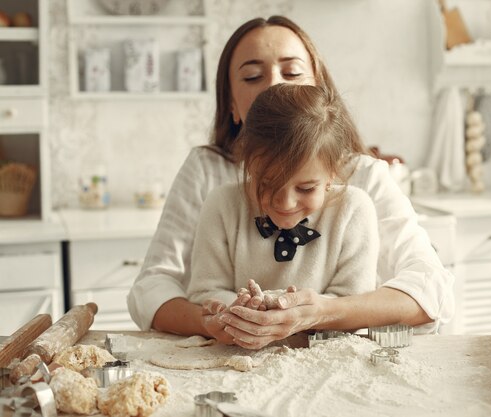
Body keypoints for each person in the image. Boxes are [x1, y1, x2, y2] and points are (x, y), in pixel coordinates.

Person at [127, 15, 455, 349]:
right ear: (232, 105)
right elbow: (152, 286)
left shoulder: (363, 179)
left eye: (292, 73)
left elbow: (432, 289)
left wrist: (322, 313)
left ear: (318, 91)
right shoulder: (207, 173)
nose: (274, 87)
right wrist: (218, 320)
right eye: (253, 75)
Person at [187, 83, 378, 310]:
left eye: (306, 189)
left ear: (332, 174)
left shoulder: (353, 210)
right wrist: (249, 309)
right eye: (267, 184)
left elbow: (354, 303)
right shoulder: (222, 204)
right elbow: (204, 292)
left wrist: (293, 312)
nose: (285, 202)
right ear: (248, 165)